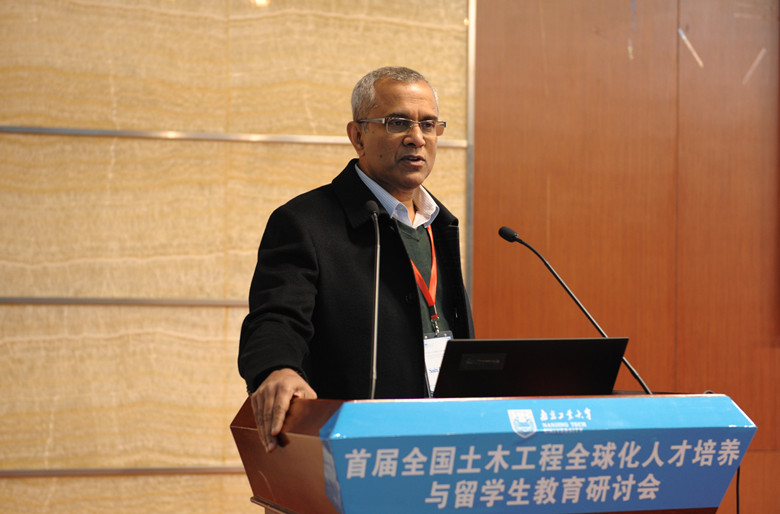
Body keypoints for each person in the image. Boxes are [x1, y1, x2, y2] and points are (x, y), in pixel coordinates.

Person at [238, 66, 474, 452]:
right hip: (352, 446)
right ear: (358, 136)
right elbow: (276, 318)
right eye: (398, 122)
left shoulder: (439, 224)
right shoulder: (305, 222)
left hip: (444, 439)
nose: (417, 137)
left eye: (429, 125)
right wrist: (277, 368)